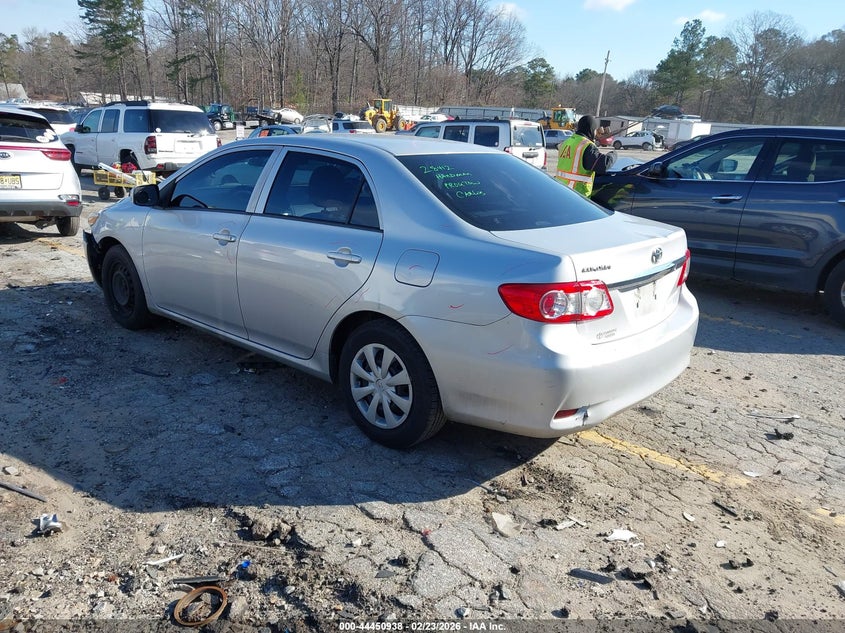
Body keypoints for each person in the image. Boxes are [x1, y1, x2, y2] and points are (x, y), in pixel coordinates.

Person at [554, 115, 616, 197]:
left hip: (560, 191)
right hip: (577, 195)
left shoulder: (567, 142)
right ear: (591, 129)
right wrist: (614, 154)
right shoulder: (586, 146)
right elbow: (604, 164)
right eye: (595, 130)